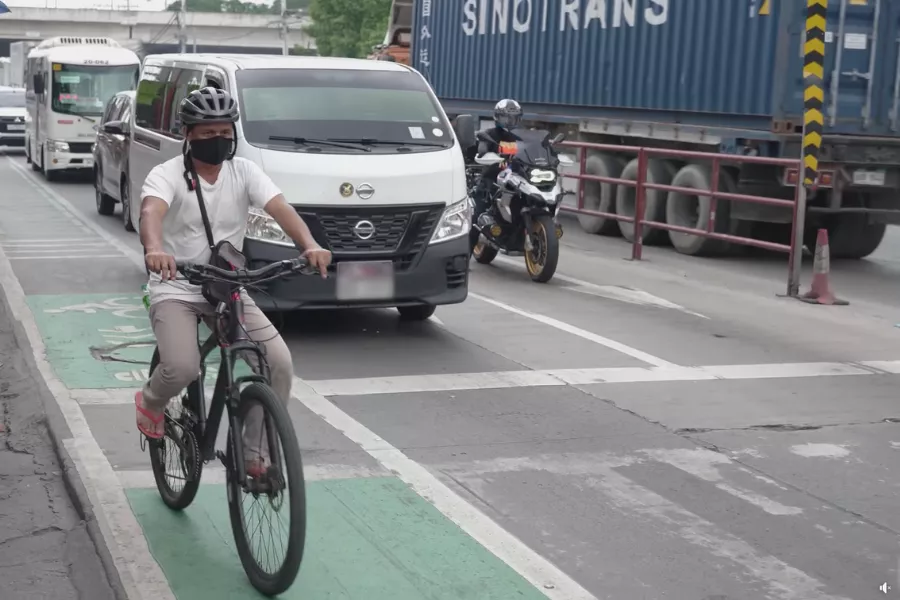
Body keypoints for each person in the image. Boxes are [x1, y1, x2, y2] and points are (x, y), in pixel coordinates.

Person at [135, 86, 332, 476]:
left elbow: (281, 208)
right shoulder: (167, 174)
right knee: (182, 366)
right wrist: (155, 249)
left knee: (278, 363)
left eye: (224, 132)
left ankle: (255, 452)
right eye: (207, 133)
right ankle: (151, 401)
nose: (217, 140)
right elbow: (150, 212)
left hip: (227, 287)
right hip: (177, 285)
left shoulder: (244, 171)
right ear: (188, 134)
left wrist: (309, 245)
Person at [468, 98, 523, 251]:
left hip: (516, 180)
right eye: (507, 118)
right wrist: (484, 152)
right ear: (498, 118)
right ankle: (464, 258)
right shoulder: (489, 134)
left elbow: (533, 149)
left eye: (514, 118)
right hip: (492, 181)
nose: (511, 122)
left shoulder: (521, 138)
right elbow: (482, 150)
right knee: (475, 216)